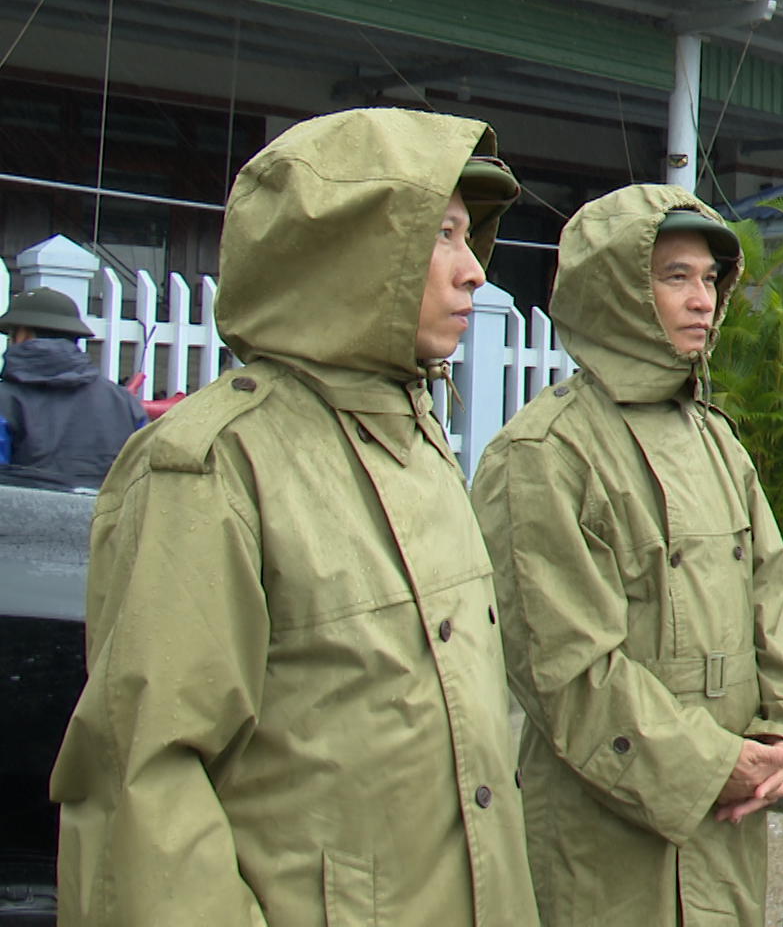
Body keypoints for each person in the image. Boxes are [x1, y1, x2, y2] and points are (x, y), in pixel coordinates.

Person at [51, 108, 539, 922]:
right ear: (351, 250)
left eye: (468, 235)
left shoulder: (419, 447)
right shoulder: (217, 466)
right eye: (439, 233)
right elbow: (148, 793)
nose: (474, 272)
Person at [471, 185, 783, 926]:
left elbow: (770, 607)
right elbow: (566, 672)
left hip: (725, 839)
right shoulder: (542, 455)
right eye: (674, 277)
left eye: (708, 279)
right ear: (615, 290)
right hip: (605, 852)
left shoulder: (717, 443)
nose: (701, 300)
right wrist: (711, 767)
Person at [0, 287, 146, 486]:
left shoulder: (4, 401)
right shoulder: (124, 402)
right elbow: (144, 479)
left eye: (11, 334)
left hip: (23, 515)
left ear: (24, 335)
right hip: (104, 516)